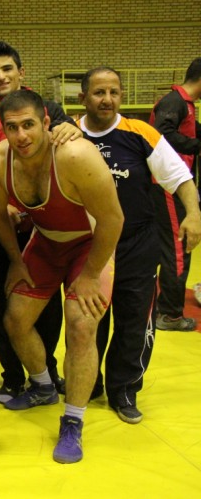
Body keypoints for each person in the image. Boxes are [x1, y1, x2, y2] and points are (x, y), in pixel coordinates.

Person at [0, 89, 124, 463]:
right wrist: (16, 260)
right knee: (15, 320)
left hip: (89, 245)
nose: (21, 136)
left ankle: (73, 420)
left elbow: (113, 219)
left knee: (81, 326)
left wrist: (90, 274)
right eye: (12, 128)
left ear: (46, 122)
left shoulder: (75, 155)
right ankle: (43, 386)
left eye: (29, 125)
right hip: (46, 244)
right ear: (2, 129)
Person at [79, 67, 201, 423]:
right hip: (88, 250)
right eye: (99, 93)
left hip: (137, 244)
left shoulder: (140, 133)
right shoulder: (69, 134)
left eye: (114, 92)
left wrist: (194, 214)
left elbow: (180, 177)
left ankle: (124, 389)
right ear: (83, 97)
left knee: (133, 320)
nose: (108, 100)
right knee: (87, 321)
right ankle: (88, 382)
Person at [0, 40, 83, 403]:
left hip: (45, 230)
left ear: (21, 72)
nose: (0, 76)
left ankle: (46, 373)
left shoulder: (50, 110)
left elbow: (70, 148)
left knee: (47, 308)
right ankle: (13, 377)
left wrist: (74, 130)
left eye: (7, 69)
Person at [149, 57, 201, 331]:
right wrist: (196, 145)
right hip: (168, 186)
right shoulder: (174, 102)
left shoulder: (185, 105)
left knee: (171, 247)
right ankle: (170, 314)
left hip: (175, 185)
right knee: (179, 247)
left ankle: (164, 306)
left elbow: (189, 132)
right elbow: (162, 134)